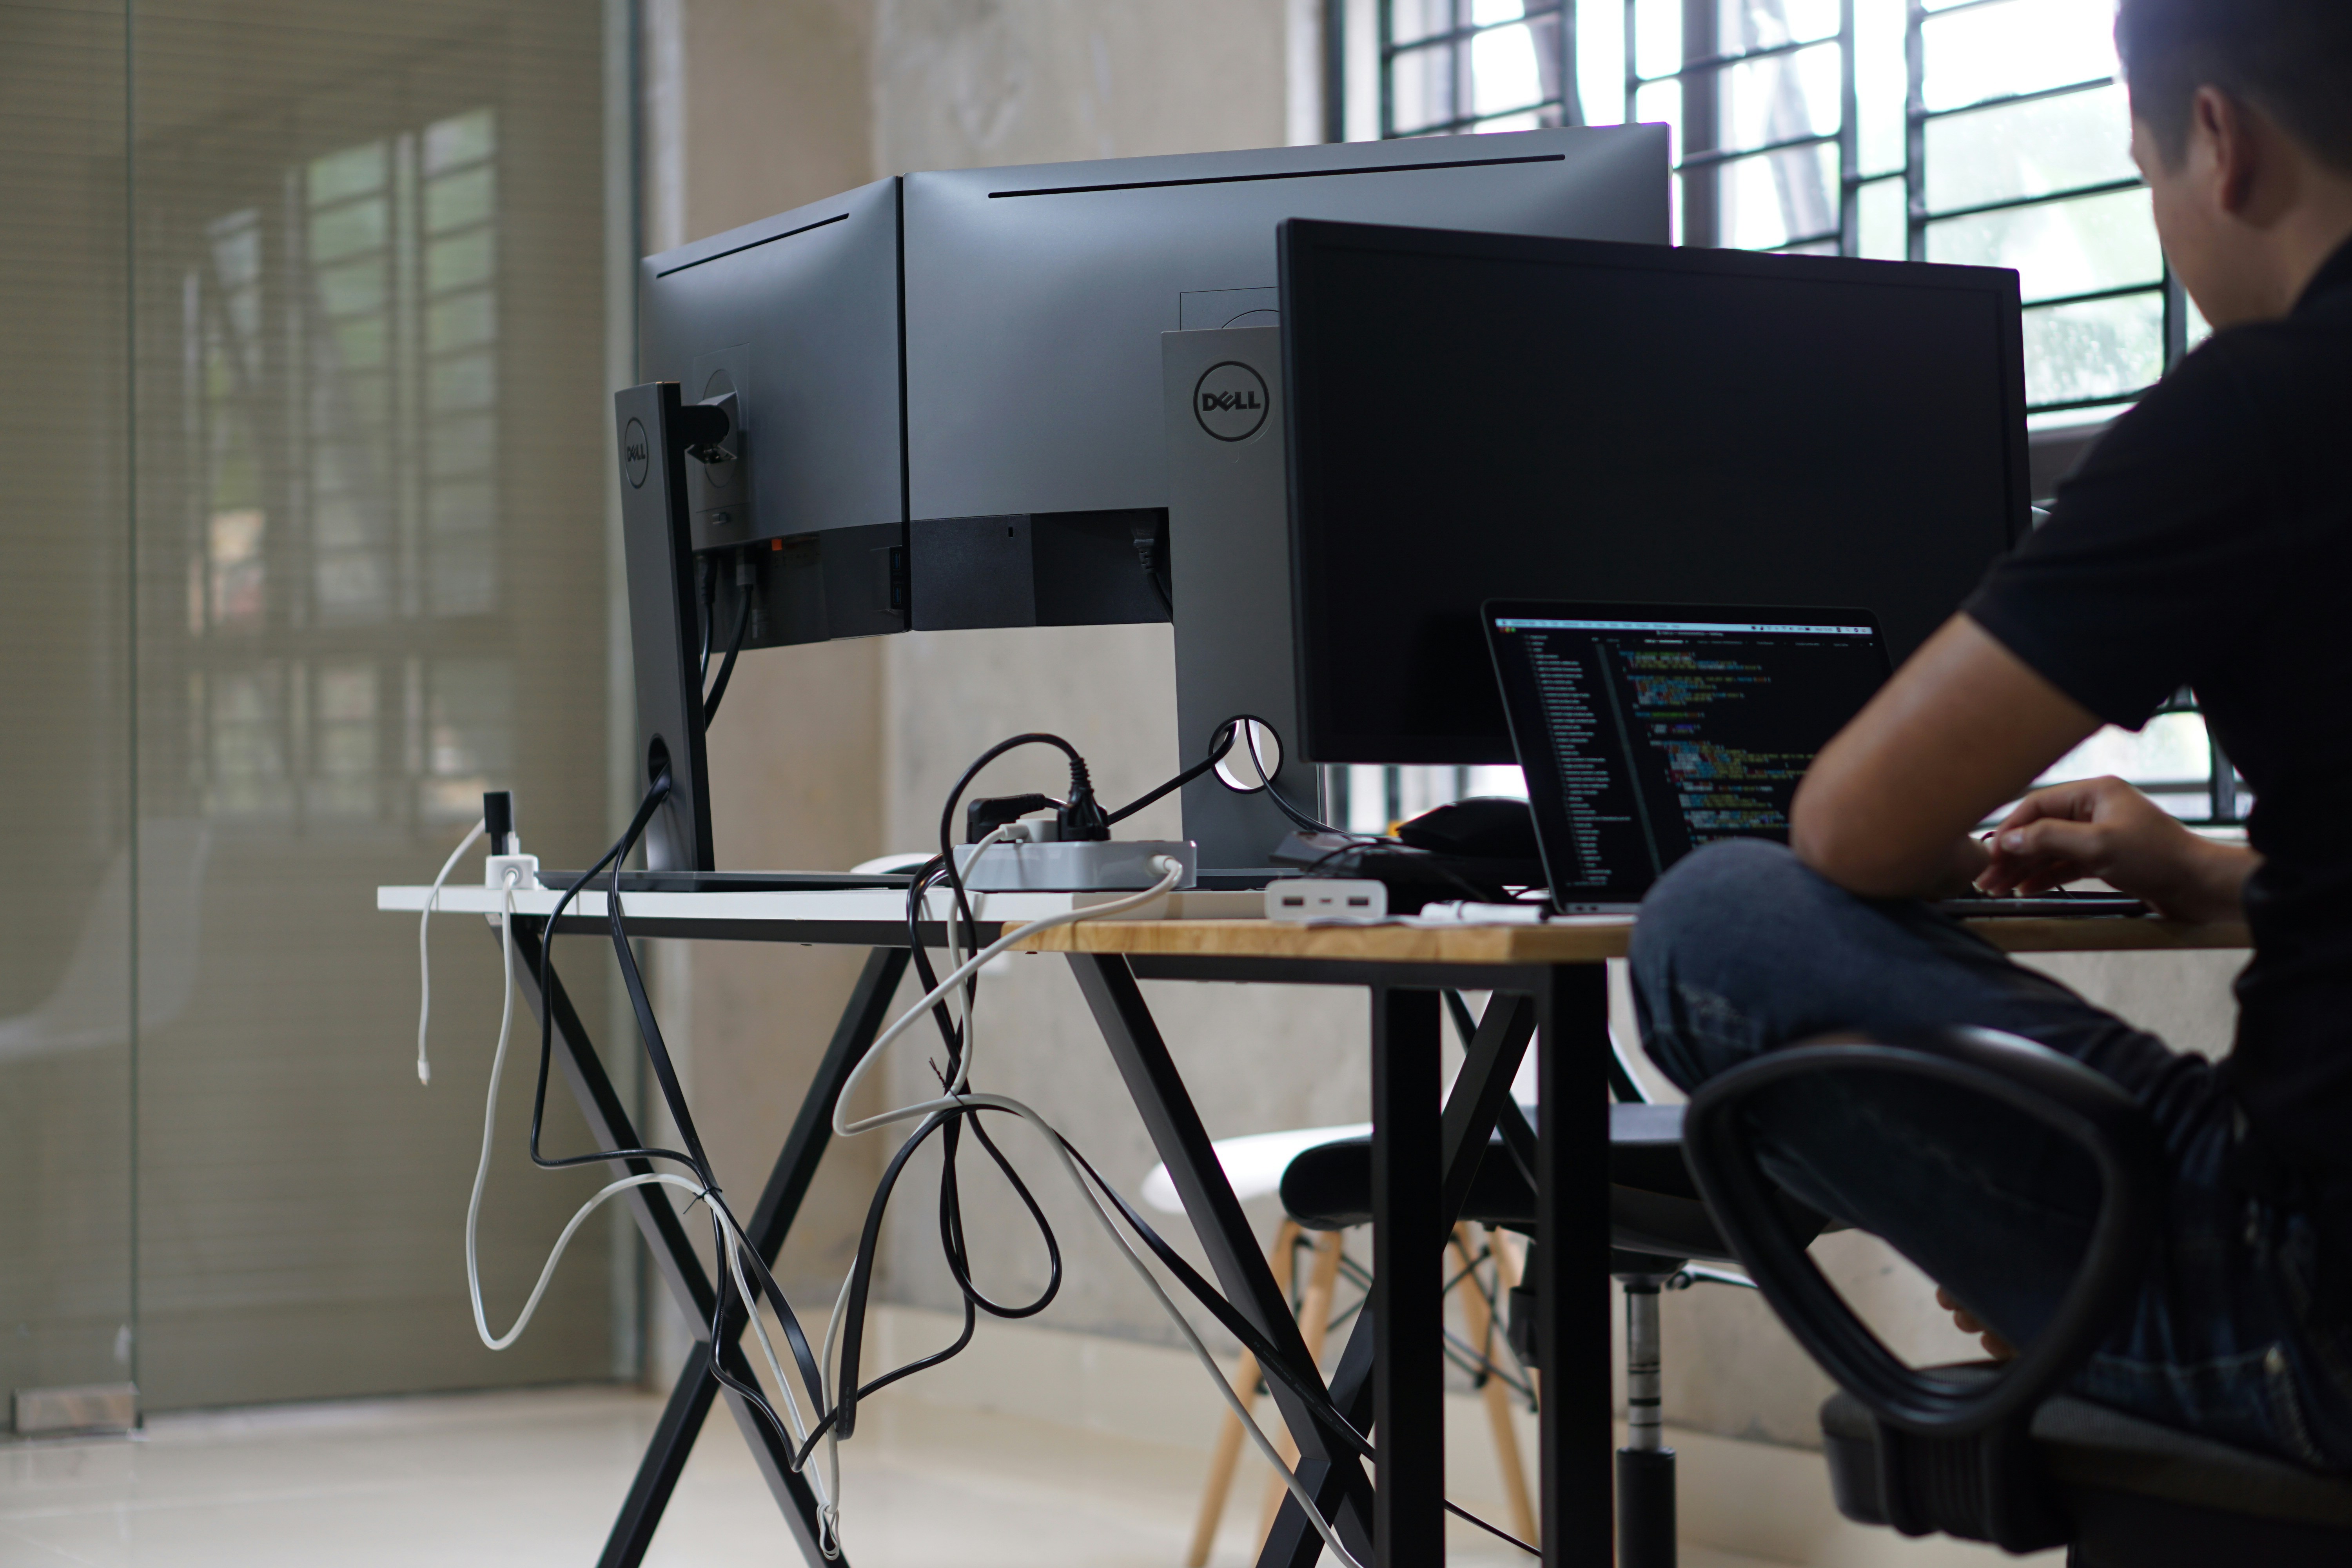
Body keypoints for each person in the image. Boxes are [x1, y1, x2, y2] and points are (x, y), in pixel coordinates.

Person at [1629, 0, 2352, 1470]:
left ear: (2217, 142)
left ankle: (2107, 1292)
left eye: (2142, 172)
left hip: (2316, 1311)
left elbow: (1850, 830)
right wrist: (2224, 877)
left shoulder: (2268, 406)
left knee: (1715, 916)